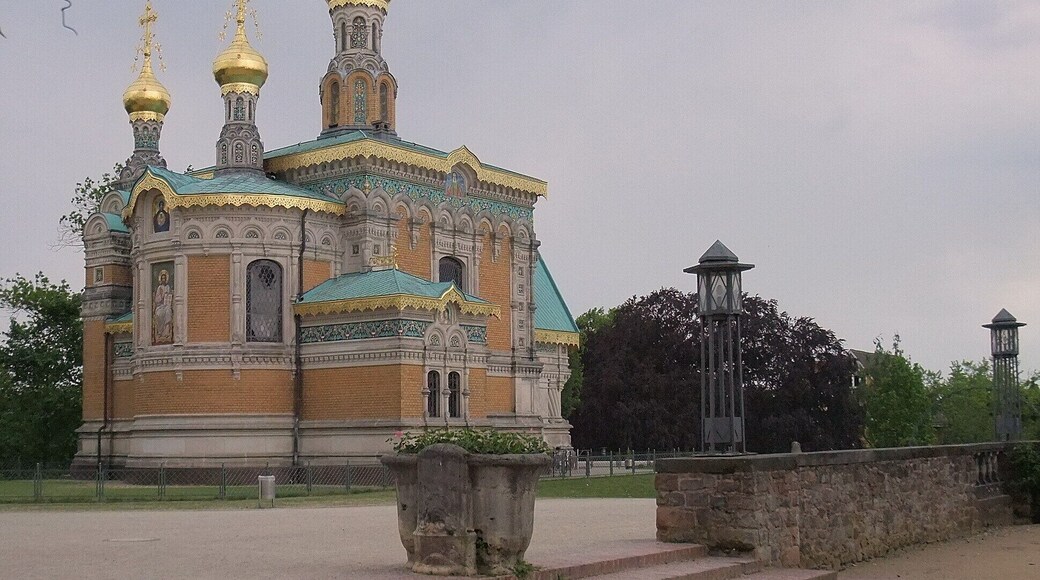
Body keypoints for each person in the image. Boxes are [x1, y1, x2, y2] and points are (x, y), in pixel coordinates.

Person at [153, 269, 173, 344]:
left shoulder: (168, 287)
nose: (164, 280)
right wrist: (161, 296)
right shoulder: (159, 288)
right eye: (162, 279)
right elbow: (156, 300)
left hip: (167, 305)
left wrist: (169, 296)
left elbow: (170, 296)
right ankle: (160, 332)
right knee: (159, 314)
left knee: (168, 311)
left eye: (165, 278)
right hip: (160, 305)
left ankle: (167, 332)